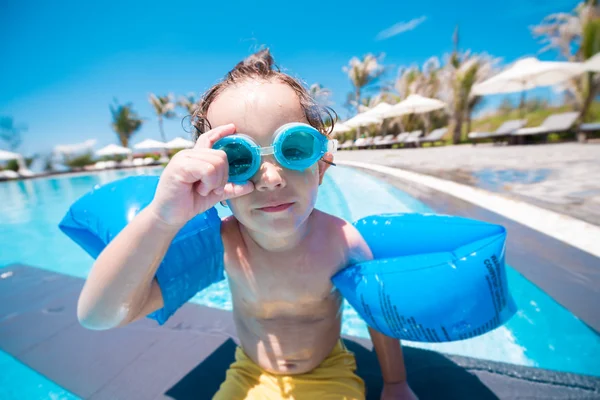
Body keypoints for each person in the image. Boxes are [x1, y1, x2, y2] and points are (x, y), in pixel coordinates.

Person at [77, 49, 417, 400]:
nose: (270, 178)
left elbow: (379, 314)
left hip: (327, 372)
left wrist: (395, 383)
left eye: (294, 148)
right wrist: (162, 217)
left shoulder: (343, 242)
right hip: (251, 371)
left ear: (321, 166)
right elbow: (99, 316)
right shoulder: (225, 245)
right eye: (238, 158)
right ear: (211, 178)